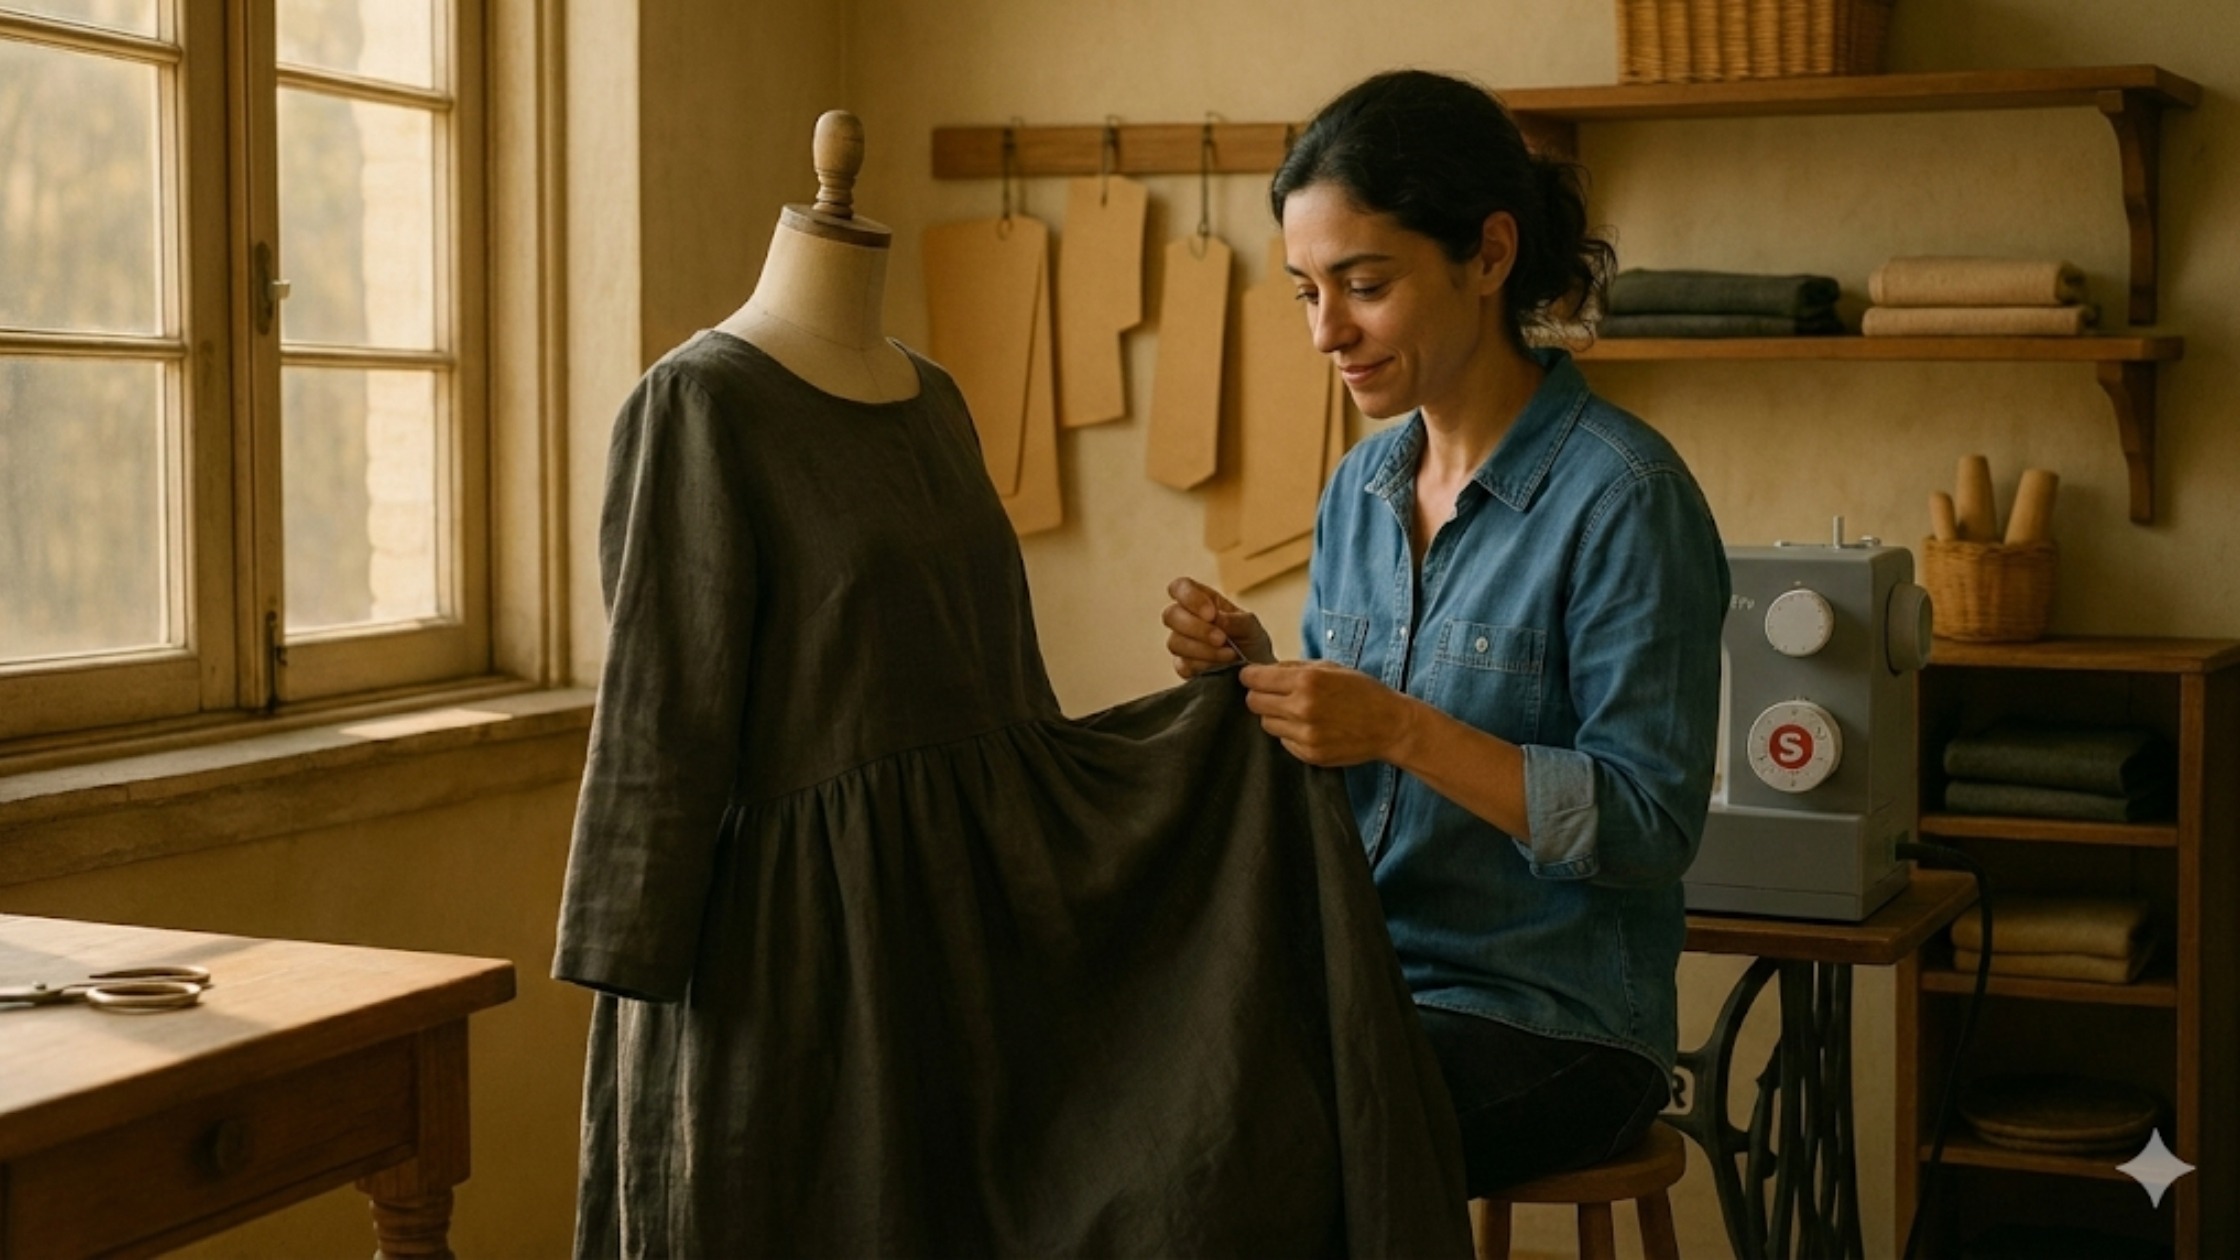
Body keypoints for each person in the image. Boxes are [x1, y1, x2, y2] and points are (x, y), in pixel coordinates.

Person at [1163, 68, 1730, 1196]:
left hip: (1556, 1025)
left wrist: (1396, 727)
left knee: (1254, 1151)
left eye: (1362, 284)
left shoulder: (1624, 497)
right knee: (1140, 1083)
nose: (1327, 331)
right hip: (1371, 982)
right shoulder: (1360, 489)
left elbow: (1647, 825)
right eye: (1304, 292)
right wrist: (1268, 683)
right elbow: (1351, 777)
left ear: (1486, 255)